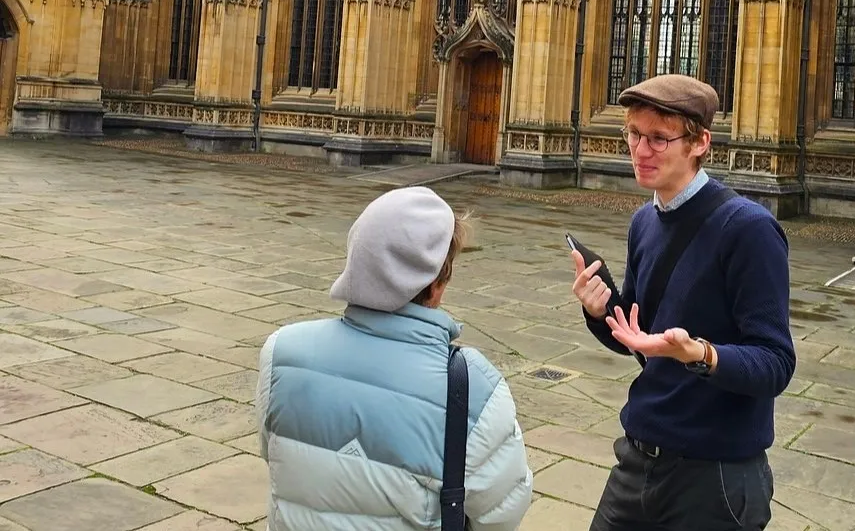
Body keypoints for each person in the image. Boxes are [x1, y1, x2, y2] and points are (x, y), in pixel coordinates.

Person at [570, 74, 795, 531]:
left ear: (700, 143)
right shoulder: (644, 222)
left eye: (658, 138)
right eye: (633, 134)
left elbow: (775, 363)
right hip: (639, 457)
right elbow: (642, 339)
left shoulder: (748, 230)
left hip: (714, 476)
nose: (640, 150)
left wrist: (702, 355)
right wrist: (599, 312)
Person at [256, 186, 533, 531]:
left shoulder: (282, 353)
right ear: (437, 284)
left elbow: (278, 459)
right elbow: (501, 514)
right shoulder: (473, 388)